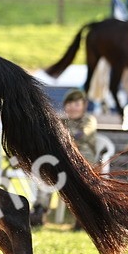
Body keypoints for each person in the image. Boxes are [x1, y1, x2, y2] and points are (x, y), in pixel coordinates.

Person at [31, 89, 98, 228]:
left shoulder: (88, 120)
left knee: (80, 181)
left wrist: (59, 134)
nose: (72, 107)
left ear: (84, 106)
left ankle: (83, 217)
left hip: (83, 163)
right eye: (69, 104)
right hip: (62, 163)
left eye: (76, 104)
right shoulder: (61, 121)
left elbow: (82, 134)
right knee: (46, 174)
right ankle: (39, 210)